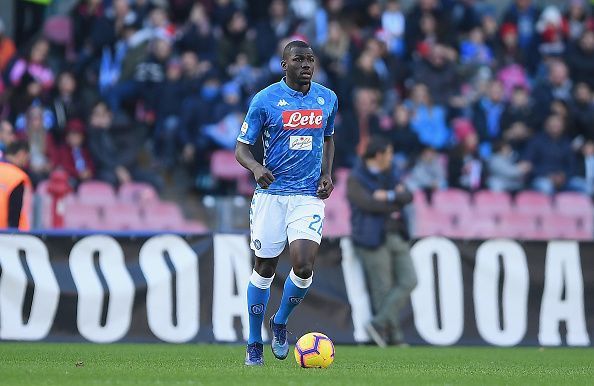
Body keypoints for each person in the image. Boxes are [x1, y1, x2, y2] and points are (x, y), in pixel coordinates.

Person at [235, 40, 338, 366]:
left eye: (310, 60)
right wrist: (255, 167)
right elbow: (241, 148)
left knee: (304, 266)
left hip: (307, 196)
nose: (306, 65)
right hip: (271, 196)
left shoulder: (327, 98)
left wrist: (326, 174)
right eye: (299, 60)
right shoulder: (265, 100)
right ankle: (254, 340)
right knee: (264, 268)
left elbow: (328, 138)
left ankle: (279, 321)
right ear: (284, 64)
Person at [347, 136, 416, 347]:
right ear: (378, 155)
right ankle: (393, 337)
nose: (391, 158)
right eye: (389, 153)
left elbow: (408, 196)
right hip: (371, 238)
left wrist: (385, 196)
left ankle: (377, 324)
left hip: (396, 233)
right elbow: (367, 204)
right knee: (382, 288)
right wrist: (394, 200)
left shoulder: (391, 173)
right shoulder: (356, 178)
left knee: (409, 280)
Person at [0, 141, 32, 230]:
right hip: (6, 236)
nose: (26, 162)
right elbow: (15, 212)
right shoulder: (17, 177)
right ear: (21, 154)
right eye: (27, 158)